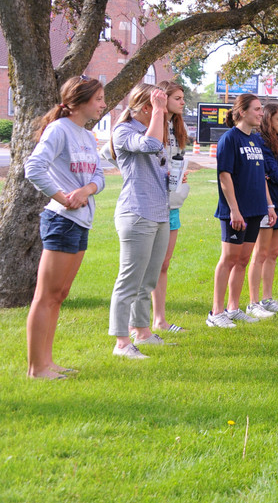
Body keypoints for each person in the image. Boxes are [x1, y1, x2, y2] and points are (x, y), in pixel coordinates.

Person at [24, 76, 106, 379]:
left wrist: (86, 191)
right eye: (98, 99)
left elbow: (99, 174)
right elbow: (33, 167)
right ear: (80, 101)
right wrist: (62, 197)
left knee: (60, 294)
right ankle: (37, 368)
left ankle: (48, 361)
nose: (103, 104)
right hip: (61, 220)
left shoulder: (86, 134)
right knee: (46, 296)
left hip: (81, 221)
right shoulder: (59, 130)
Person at [107, 84, 171, 358]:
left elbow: (159, 160)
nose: (166, 110)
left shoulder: (155, 127)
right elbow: (151, 145)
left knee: (148, 279)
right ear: (147, 107)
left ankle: (142, 332)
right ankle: (122, 342)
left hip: (159, 212)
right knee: (129, 280)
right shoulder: (124, 131)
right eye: (161, 105)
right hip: (136, 212)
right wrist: (158, 112)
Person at [207, 94, 276, 328]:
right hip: (235, 212)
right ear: (242, 112)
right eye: (257, 109)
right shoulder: (229, 139)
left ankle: (233, 308)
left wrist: (269, 204)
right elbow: (224, 176)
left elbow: (261, 176)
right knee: (229, 259)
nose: (260, 113)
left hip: (256, 209)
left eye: (261, 109)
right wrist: (234, 210)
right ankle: (216, 312)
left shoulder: (255, 140)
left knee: (243, 260)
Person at [246, 103, 278, 317]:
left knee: (273, 253)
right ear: (268, 119)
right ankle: (253, 302)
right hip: (266, 205)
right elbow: (275, 175)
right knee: (260, 253)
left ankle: (267, 299)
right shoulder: (260, 142)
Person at [150, 80, 191, 333]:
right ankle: (138, 322)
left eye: (183, 97)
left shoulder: (177, 127)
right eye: (177, 98)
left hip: (173, 203)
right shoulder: (152, 125)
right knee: (149, 265)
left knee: (164, 264)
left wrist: (181, 174)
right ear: (163, 99)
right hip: (152, 204)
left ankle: (160, 320)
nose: (183, 102)